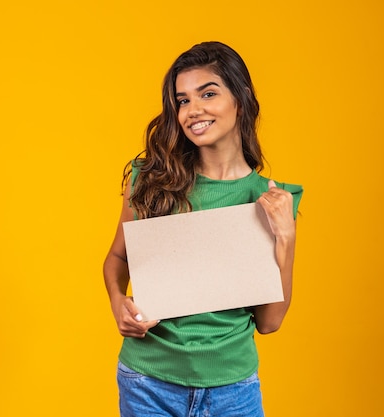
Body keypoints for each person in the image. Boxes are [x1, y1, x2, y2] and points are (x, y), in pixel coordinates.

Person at [103, 41, 303, 417]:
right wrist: (119, 303)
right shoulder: (149, 178)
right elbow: (117, 256)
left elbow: (270, 322)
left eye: (208, 93)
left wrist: (285, 238)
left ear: (240, 98)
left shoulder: (270, 198)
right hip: (148, 383)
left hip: (233, 390)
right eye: (182, 100)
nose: (193, 110)